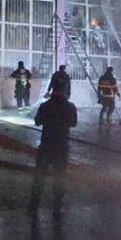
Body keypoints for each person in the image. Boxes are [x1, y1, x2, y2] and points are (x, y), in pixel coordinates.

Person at [28, 87, 77, 216]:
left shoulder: (45, 106)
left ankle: (34, 204)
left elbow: (37, 122)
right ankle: (57, 206)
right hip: (61, 146)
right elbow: (73, 123)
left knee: (40, 175)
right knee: (60, 176)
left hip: (46, 145)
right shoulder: (70, 107)